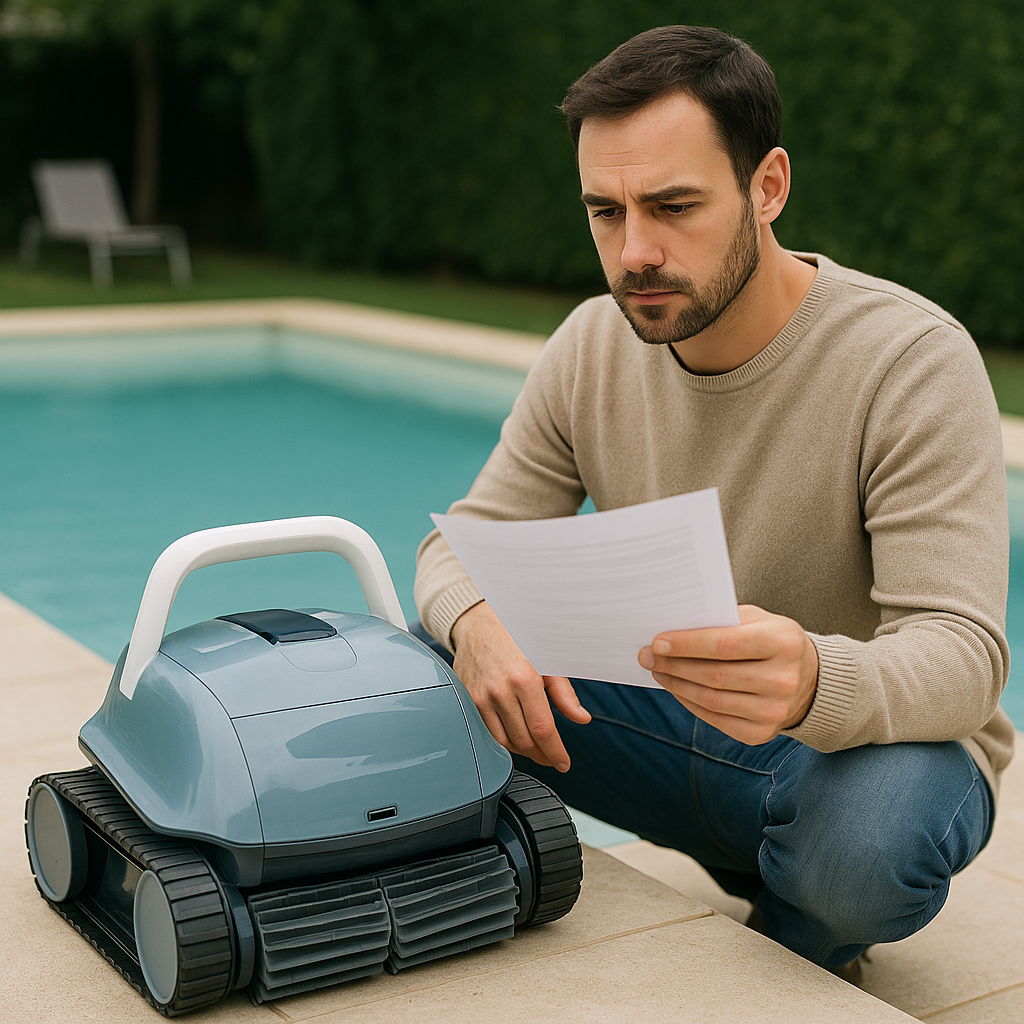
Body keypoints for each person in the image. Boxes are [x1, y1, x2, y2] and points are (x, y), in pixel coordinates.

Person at [413, 25, 1014, 980]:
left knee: (873, 837)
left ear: (767, 186)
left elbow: (966, 655)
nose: (634, 251)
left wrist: (817, 679)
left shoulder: (911, 362)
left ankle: (798, 933)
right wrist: (477, 616)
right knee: (426, 664)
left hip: (837, 757)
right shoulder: (591, 345)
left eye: (673, 205)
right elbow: (460, 542)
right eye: (604, 212)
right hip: (660, 724)